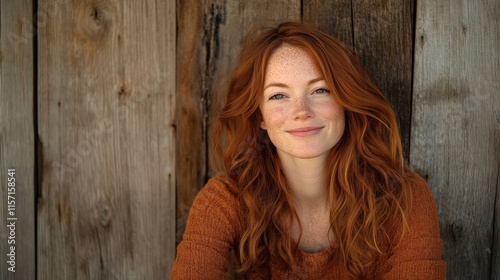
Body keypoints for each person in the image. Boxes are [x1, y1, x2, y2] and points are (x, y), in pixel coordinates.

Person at [171, 21, 446, 279]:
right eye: (278, 95)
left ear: (346, 100)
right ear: (261, 117)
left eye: (320, 90)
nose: (301, 111)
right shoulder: (226, 200)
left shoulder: (406, 199)